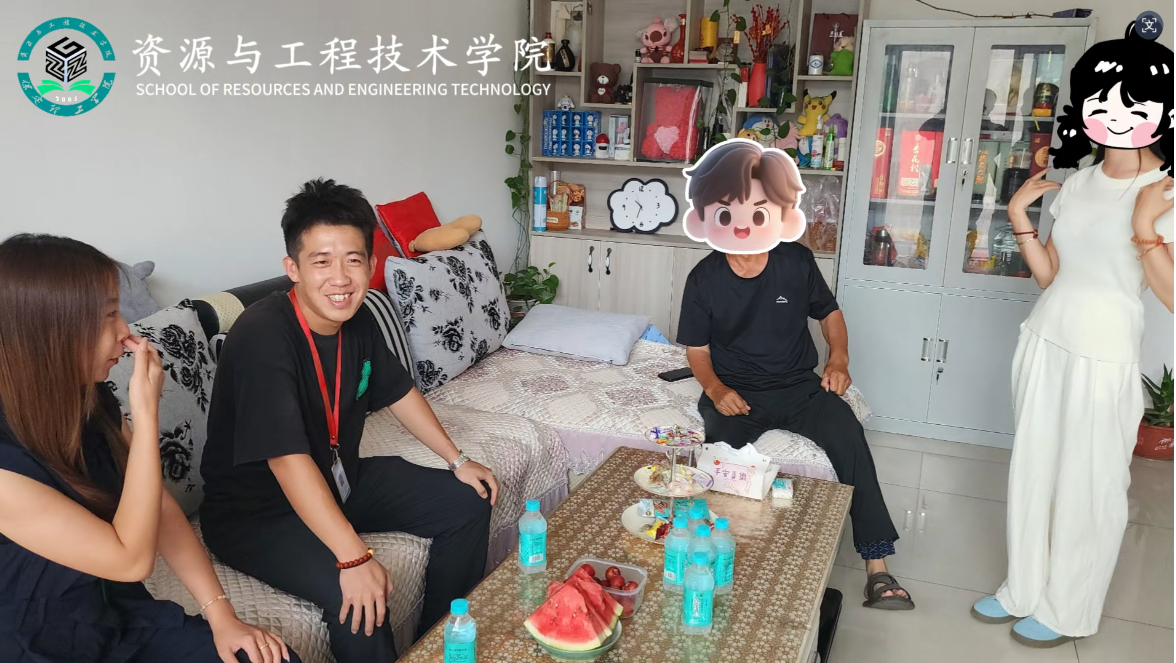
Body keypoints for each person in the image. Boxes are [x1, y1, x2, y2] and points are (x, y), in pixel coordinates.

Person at [199, 179, 498, 663]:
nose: (340, 278)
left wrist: (457, 460)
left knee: (468, 499)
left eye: (353, 260)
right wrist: (353, 556)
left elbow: (400, 392)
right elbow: (287, 461)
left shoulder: (357, 319)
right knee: (356, 596)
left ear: (371, 264)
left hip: (338, 479)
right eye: (322, 261)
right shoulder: (262, 335)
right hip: (256, 514)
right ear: (293, 268)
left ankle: (436, 646)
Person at [0, 234, 297, 663]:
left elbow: (158, 504)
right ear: (49, 332)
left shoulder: (87, 397)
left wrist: (222, 615)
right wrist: (146, 414)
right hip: (35, 641)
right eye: (108, 315)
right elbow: (130, 560)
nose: (126, 331)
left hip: (114, 614)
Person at [970, 23, 1174, 647]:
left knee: (1091, 486)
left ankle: (1068, 609)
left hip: (1103, 354)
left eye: (1134, 106)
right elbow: (1051, 276)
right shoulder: (1080, 182)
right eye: (1101, 103)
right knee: (1033, 473)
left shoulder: (1165, 192)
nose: (1114, 117)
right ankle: (1023, 589)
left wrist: (1146, 226)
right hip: (1044, 339)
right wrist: (1018, 216)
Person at [678, 139, 913, 610]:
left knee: (849, 437)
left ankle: (877, 565)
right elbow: (697, 351)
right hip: (735, 393)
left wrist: (839, 359)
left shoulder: (795, 261)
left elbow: (830, 314)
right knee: (719, 463)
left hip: (797, 388)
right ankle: (721, 556)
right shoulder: (704, 278)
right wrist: (716, 389)